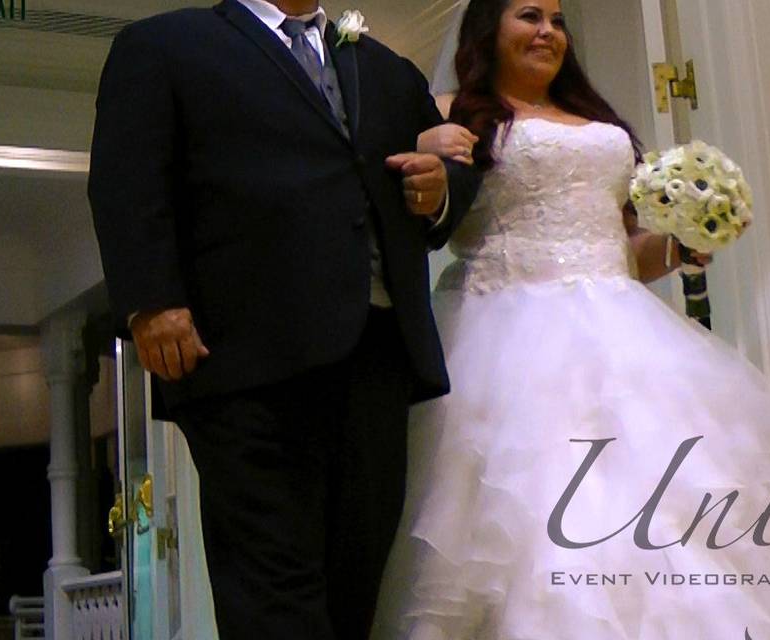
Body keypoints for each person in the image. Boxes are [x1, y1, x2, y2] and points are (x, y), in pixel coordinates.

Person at [371, 1, 770, 638]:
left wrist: (683, 242)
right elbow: (409, 196)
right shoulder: (450, 114)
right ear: (489, 30)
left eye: (557, 20)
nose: (548, 31)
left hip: (624, 334)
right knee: (526, 521)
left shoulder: (598, 121)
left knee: (660, 524)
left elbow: (621, 251)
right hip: (505, 340)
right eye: (529, 15)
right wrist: (425, 146)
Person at [87, 0, 481, 638]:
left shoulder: (386, 68)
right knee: (270, 585)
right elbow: (126, 180)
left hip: (377, 353)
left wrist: (442, 190)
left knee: (356, 580)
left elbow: (442, 185)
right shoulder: (164, 45)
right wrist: (152, 303)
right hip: (244, 359)